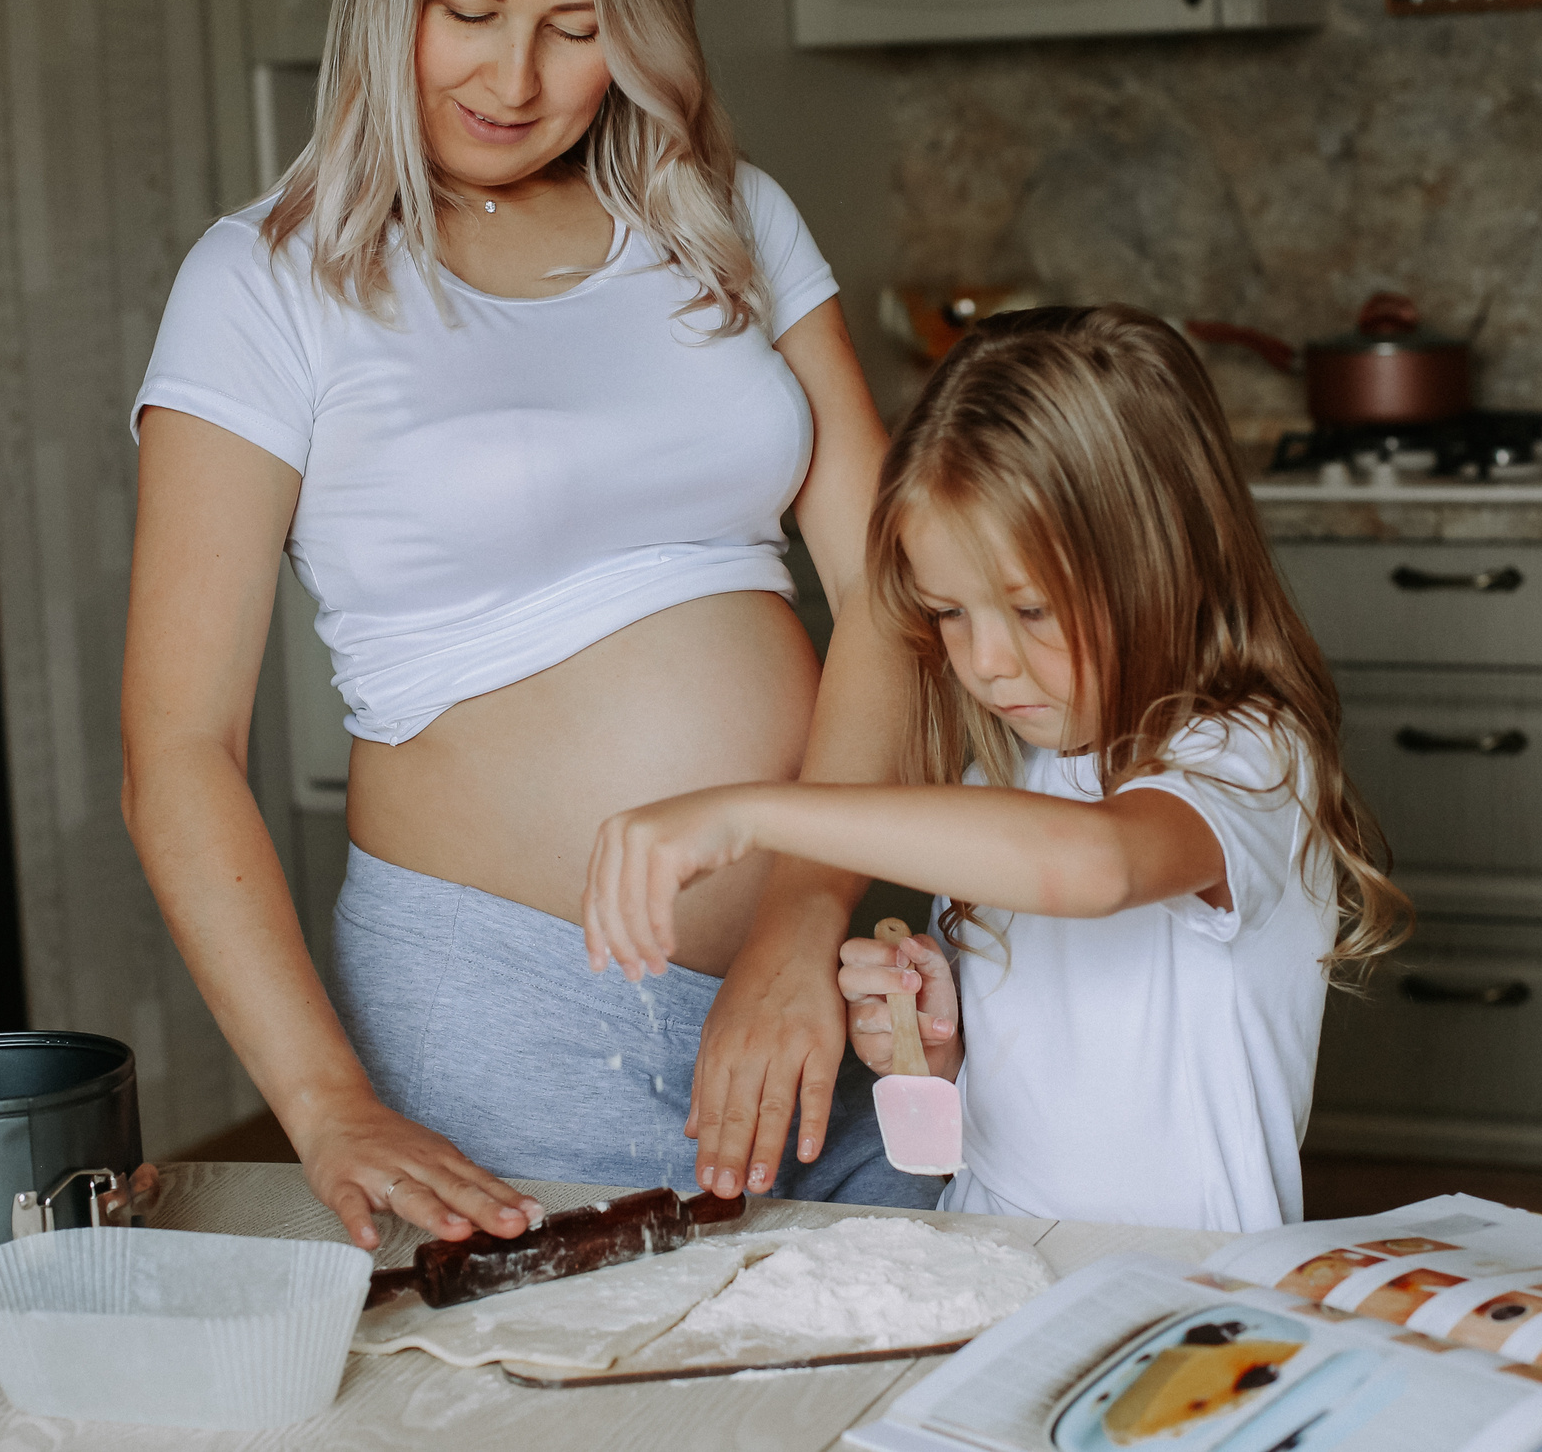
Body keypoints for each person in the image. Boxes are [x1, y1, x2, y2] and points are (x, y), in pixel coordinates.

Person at [119, 0, 933, 1253]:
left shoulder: (729, 219)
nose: (513, 81)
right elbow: (177, 749)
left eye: (579, 27)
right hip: (505, 1006)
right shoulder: (265, 283)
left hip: (822, 996)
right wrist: (321, 1097)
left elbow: (895, 589)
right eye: (471, 13)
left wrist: (804, 917)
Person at [581, 306, 1414, 1231]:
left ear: (1161, 562)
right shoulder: (1000, 778)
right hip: (998, 1262)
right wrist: (933, 1056)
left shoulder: (1247, 755)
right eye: (948, 613)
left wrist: (758, 814)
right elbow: (1000, 1125)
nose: (985, 663)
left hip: (1190, 1298)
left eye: (1029, 611)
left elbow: (1093, 866)